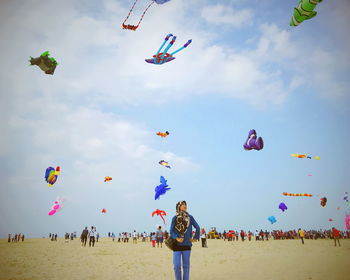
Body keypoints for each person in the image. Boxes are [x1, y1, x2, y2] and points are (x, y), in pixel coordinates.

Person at [170, 201, 200, 280]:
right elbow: (171, 231)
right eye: (182, 205)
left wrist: (195, 238)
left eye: (185, 205)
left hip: (187, 245)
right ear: (179, 206)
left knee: (186, 266)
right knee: (176, 266)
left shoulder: (190, 217)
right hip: (176, 245)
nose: (184, 206)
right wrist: (177, 238)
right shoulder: (175, 218)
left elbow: (198, 227)